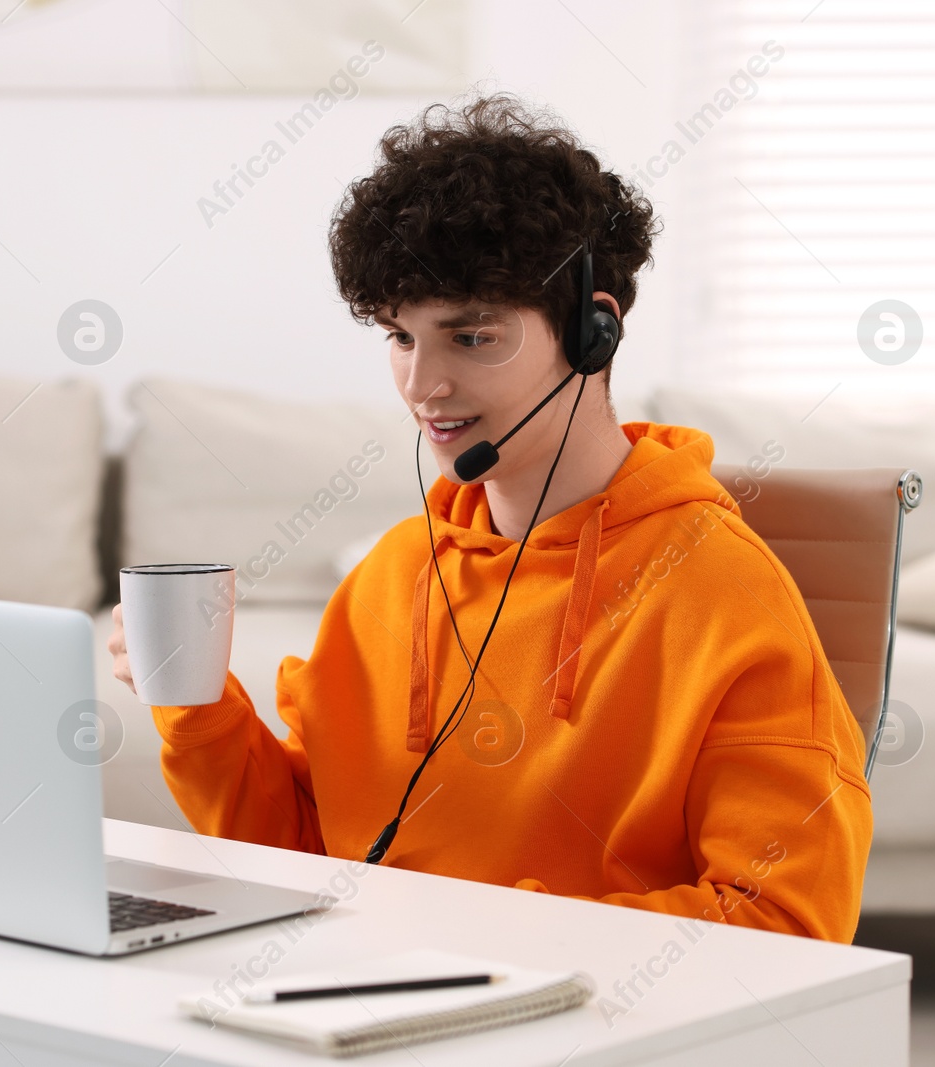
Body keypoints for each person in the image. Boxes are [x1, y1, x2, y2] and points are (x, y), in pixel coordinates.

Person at [110, 94, 872, 943]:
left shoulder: (720, 590)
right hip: (362, 997)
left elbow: (787, 922)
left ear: (593, 333)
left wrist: (485, 939)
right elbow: (308, 853)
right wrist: (202, 707)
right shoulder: (394, 575)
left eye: (470, 338)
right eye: (401, 337)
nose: (420, 384)